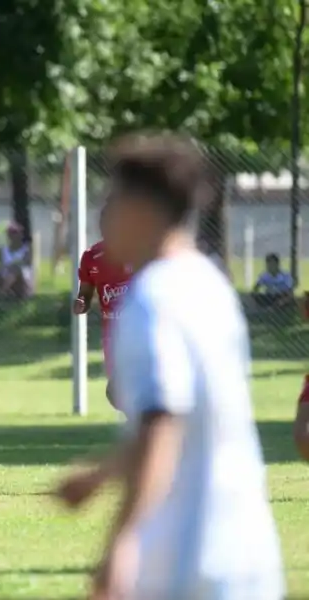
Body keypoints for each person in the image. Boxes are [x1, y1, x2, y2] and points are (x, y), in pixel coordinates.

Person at [55, 134, 283, 600]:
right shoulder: (209, 282)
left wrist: (118, 546)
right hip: (248, 556)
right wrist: (100, 475)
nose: (107, 214)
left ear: (143, 208)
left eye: (113, 199)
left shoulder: (153, 298)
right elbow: (185, 417)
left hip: (188, 562)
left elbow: (163, 428)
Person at [74, 207, 132, 408]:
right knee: (116, 393)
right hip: (112, 334)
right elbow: (86, 292)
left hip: (139, 331)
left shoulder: (140, 253)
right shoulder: (92, 257)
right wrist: (82, 302)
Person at [0, 223, 33, 299]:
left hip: (22, 282)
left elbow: (24, 262)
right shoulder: (2, 251)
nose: (14, 236)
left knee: (15, 268)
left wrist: (7, 267)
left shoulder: (27, 250)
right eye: (11, 234)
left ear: (21, 235)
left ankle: (1, 294)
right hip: (5, 278)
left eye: (16, 233)